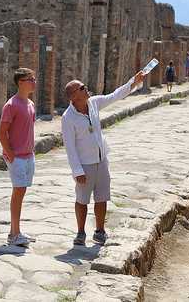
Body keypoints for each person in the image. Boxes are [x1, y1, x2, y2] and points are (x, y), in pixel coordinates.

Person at [62, 71, 145, 245]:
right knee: (82, 200)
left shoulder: (93, 103)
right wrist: (77, 170)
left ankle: (100, 230)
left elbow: (115, 95)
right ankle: (80, 232)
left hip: (101, 160)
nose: (86, 89)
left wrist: (133, 82)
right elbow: (70, 147)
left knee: (102, 197)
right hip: (85, 165)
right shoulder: (68, 118)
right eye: (82, 88)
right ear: (74, 96)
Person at [0, 68, 37, 247]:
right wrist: (10, 154)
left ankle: (16, 231)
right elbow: (1, 133)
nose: (34, 82)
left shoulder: (30, 103)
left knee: (21, 192)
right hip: (17, 157)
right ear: (20, 82)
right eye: (31, 79)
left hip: (29, 155)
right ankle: (14, 234)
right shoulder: (11, 105)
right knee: (18, 192)